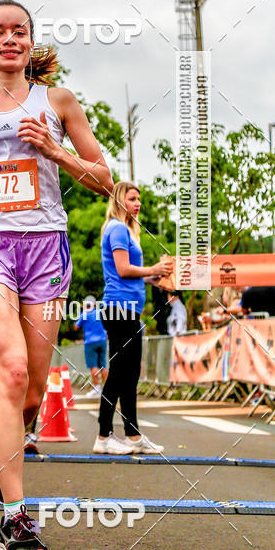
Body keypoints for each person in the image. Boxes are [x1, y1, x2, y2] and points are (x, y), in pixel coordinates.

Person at [0, 0, 113, 550]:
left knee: (33, 391)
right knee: (9, 371)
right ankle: (15, 519)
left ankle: (4, 448)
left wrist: (53, 150)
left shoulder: (57, 102)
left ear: (29, 43)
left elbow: (105, 180)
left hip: (46, 248)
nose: (8, 38)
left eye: (19, 31)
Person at [93, 182, 171, 456]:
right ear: (119, 200)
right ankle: (103, 435)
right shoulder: (116, 228)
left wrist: (153, 278)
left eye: (140, 199)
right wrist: (153, 268)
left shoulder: (126, 230)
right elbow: (123, 270)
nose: (138, 204)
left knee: (129, 374)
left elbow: (129, 273)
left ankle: (133, 435)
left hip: (128, 309)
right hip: (118, 308)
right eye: (133, 198)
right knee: (119, 372)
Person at [75, 302, 108, 395]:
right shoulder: (100, 312)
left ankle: (97, 388)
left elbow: (76, 327)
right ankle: (106, 388)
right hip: (102, 340)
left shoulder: (84, 314)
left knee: (93, 365)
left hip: (90, 341)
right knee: (103, 365)